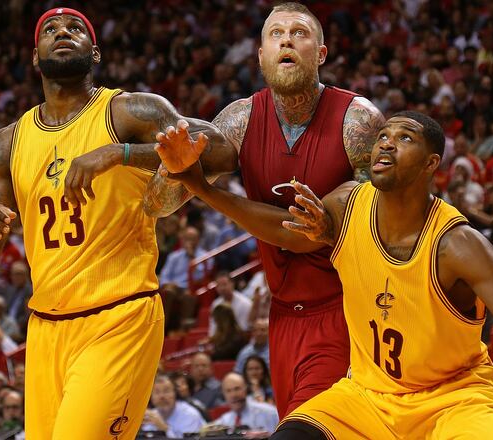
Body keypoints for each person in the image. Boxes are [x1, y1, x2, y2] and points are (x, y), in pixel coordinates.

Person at [0, 7, 232, 439]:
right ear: (35, 56)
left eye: (75, 29)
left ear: (96, 52)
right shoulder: (6, 144)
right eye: (50, 29)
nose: (62, 32)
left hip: (118, 314)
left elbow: (219, 149)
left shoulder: (128, 112)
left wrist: (119, 154)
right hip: (45, 329)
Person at [255, 111, 493, 439]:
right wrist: (206, 191)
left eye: (404, 138)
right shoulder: (348, 205)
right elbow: (285, 230)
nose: (387, 144)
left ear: (430, 163)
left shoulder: (457, 246)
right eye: (383, 136)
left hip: (454, 399)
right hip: (368, 396)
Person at [147, 1, 383, 417]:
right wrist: (173, 168)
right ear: (260, 57)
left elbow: (377, 226)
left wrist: (197, 182)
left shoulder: (358, 122)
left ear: (322, 54)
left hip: (347, 311)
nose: (286, 40)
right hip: (281, 319)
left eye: (299, 33)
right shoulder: (238, 121)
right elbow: (161, 206)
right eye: (275, 34)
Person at [141, 374, 205, 438]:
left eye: (166, 391)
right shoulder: (150, 415)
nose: (162, 396)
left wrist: (164, 428)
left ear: (175, 394)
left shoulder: (190, 414)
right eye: (157, 392)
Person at [213, 373, 279, 434]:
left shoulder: (269, 413)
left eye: (237, 389)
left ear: (246, 389)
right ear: (223, 394)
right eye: (228, 391)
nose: (233, 395)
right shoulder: (224, 420)